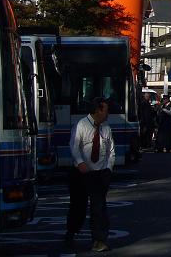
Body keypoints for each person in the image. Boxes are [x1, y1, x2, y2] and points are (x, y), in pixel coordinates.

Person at [65, 97, 115, 253]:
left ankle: (99, 240)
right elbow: (74, 146)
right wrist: (80, 162)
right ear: (98, 110)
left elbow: (111, 151)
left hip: (99, 174)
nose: (108, 113)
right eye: (106, 109)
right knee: (78, 206)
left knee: (99, 208)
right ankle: (71, 232)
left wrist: (108, 169)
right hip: (81, 173)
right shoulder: (81, 125)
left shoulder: (106, 128)